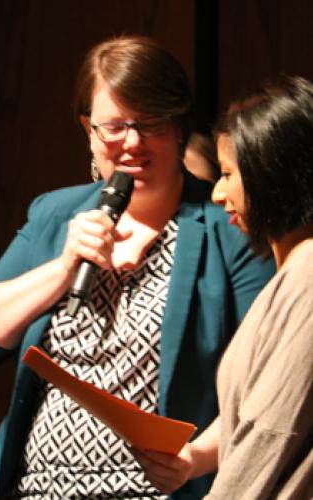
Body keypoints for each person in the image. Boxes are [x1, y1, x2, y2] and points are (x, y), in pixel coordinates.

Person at [0, 35, 275, 500]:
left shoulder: (226, 230)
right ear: (88, 130)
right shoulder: (56, 216)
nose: (133, 143)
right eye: (114, 126)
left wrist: (194, 459)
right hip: (39, 490)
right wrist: (61, 269)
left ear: (179, 127)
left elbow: (265, 387)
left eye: (152, 124)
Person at [133, 75, 313, 499]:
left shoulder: (308, 272)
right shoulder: (291, 271)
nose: (217, 192)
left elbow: (271, 431)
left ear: (273, 175)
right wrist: (195, 458)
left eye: (229, 174)